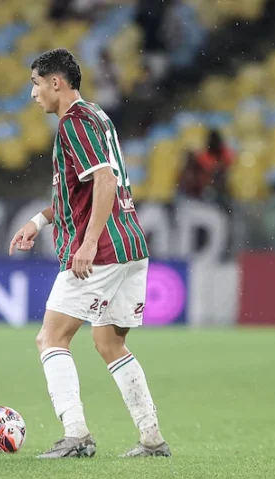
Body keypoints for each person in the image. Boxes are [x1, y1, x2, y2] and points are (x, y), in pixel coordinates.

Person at [9, 49, 169, 458]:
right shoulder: (97, 115)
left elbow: (104, 181)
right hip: (130, 245)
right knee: (109, 343)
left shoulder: (73, 123)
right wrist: (39, 221)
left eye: (36, 84)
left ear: (56, 82)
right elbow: (78, 191)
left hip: (102, 250)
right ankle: (152, 439)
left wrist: (89, 242)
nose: (33, 94)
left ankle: (76, 435)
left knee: (51, 338)